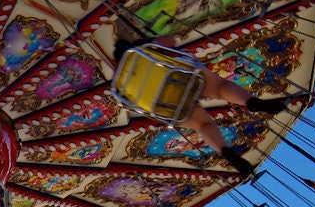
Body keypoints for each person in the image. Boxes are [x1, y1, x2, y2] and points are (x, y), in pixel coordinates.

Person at [114, 20, 291, 176]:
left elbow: (129, 104)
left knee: (203, 124)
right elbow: (169, 41)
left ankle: (224, 151)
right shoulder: (142, 50)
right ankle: (250, 102)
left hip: (165, 105)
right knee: (221, 88)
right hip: (181, 77)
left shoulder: (120, 81)